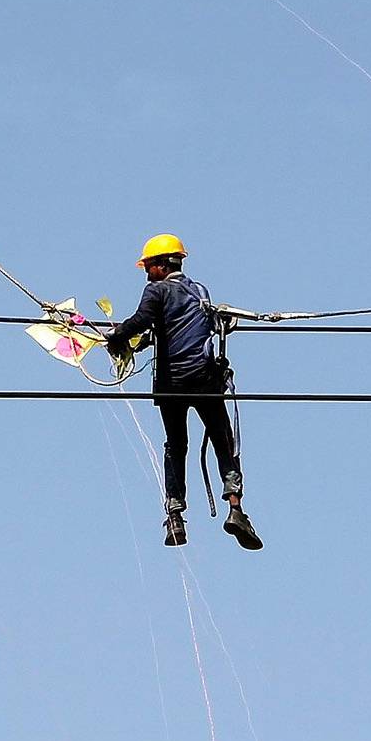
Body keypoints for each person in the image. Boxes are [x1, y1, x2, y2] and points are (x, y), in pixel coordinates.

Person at [104, 235, 262, 551]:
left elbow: (142, 320)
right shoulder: (199, 291)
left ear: (163, 265)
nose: (146, 272)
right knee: (222, 439)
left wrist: (116, 336)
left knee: (176, 446)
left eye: (149, 266)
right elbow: (177, 326)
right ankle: (236, 508)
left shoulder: (157, 290)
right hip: (204, 379)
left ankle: (174, 516)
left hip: (172, 382)